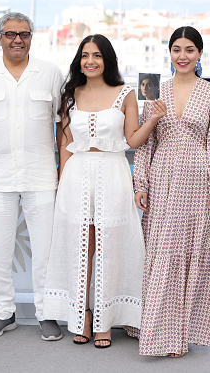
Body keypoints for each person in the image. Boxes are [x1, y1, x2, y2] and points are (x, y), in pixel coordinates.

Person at [43, 34, 167, 348]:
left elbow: (134, 141)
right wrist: (60, 185)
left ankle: (105, 320)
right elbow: (65, 144)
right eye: (85, 55)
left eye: (97, 55)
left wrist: (153, 117)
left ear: (107, 59)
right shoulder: (70, 94)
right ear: (79, 60)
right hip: (76, 176)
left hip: (112, 173)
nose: (90, 61)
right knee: (80, 248)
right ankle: (83, 316)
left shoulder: (125, 93)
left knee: (110, 246)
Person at [0, 12, 64, 341]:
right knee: (0, 249)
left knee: (45, 250)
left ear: (32, 36)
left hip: (42, 176)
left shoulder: (50, 73)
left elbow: (63, 125)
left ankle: (47, 313)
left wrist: (64, 169)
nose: (17, 39)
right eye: (10, 34)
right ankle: (3, 313)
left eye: (24, 34)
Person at [133, 26, 210, 357]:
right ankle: (154, 328)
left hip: (197, 181)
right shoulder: (154, 90)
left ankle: (179, 334)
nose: (183, 56)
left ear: (200, 54)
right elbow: (145, 142)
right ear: (169, 53)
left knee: (190, 255)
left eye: (190, 49)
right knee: (159, 253)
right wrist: (141, 181)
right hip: (161, 180)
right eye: (177, 49)